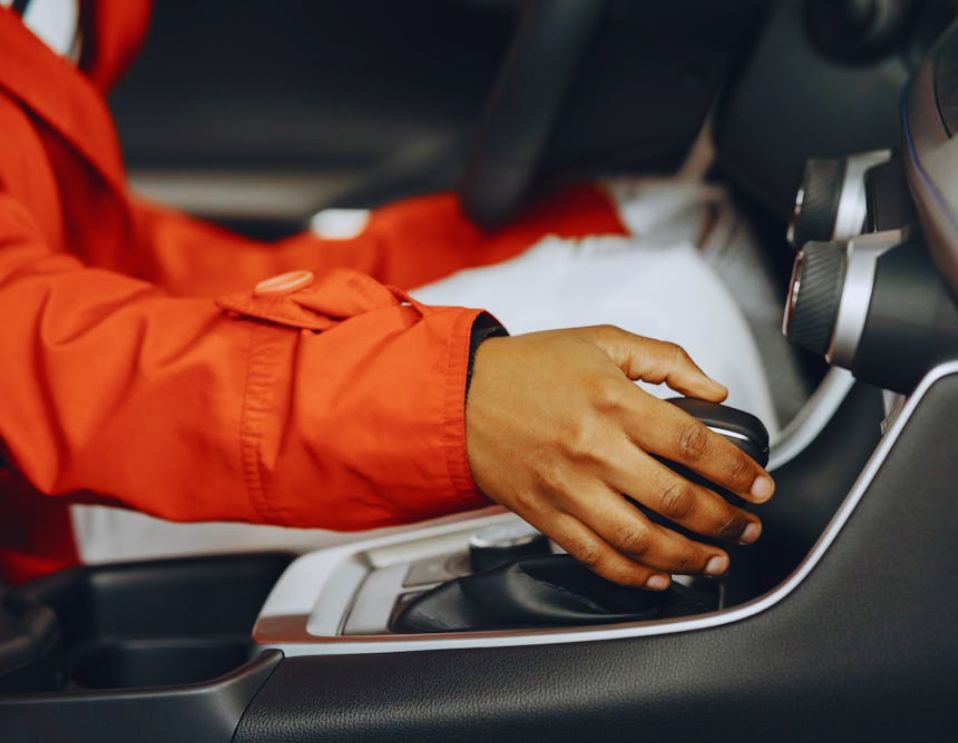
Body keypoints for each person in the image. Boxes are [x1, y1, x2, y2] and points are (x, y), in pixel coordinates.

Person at [0, 0, 775, 588]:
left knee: (668, 221)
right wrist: (448, 401)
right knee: (677, 311)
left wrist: (430, 258)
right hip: (50, 508)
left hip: (84, 415)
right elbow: (34, 354)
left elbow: (106, 262)